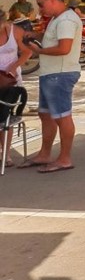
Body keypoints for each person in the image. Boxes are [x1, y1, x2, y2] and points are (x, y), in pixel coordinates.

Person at [25, 0, 83, 173]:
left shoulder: (66, 20)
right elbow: (55, 40)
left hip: (60, 73)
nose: (40, 9)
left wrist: (39, 51)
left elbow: (64, 48)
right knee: (47, 114)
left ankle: (64, 158)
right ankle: (45, 153)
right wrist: (36, 36)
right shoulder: (58, 19)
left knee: (61, 116)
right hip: (51, 72)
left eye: (41, 4)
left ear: (52, 0)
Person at [0, 15, 33, 168]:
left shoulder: (14, 31)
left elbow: (27, 52)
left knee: (5, 116)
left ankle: (6, 155)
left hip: (11, 80)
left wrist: (13, 67)